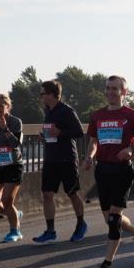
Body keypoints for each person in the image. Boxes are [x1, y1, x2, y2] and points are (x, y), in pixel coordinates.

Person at [83, 76, 134, 268]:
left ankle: (107, 264)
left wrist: (132, 148)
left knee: (113, 220)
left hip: (122, 171)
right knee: (110, 218)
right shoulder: (97, 115)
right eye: (108, 88)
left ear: (124, 92)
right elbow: (94, 142)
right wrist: (88, 157)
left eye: (115, 89)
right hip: (102, 170)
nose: (110, 92)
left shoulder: (132, 115)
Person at [34, 80, 87, 243]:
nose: (41, 96)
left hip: (66, 159)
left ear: (51, 94)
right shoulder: (47, 111)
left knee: (71, 193)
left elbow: (79, 132)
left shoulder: (67, 110)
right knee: (47, 195)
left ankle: (80, 224)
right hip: (51, 158)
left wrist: (61, 132)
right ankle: (50, 231)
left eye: (42, 93)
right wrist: (45, 136)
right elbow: (52, 133)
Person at [0, 93, 25, 242]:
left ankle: (15, 231)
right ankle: (14, 213)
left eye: (1, 105)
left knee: (7, 200)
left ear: (8, 106)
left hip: (13, 164)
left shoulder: (16, 122)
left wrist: (5, 128)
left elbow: (16, 144)